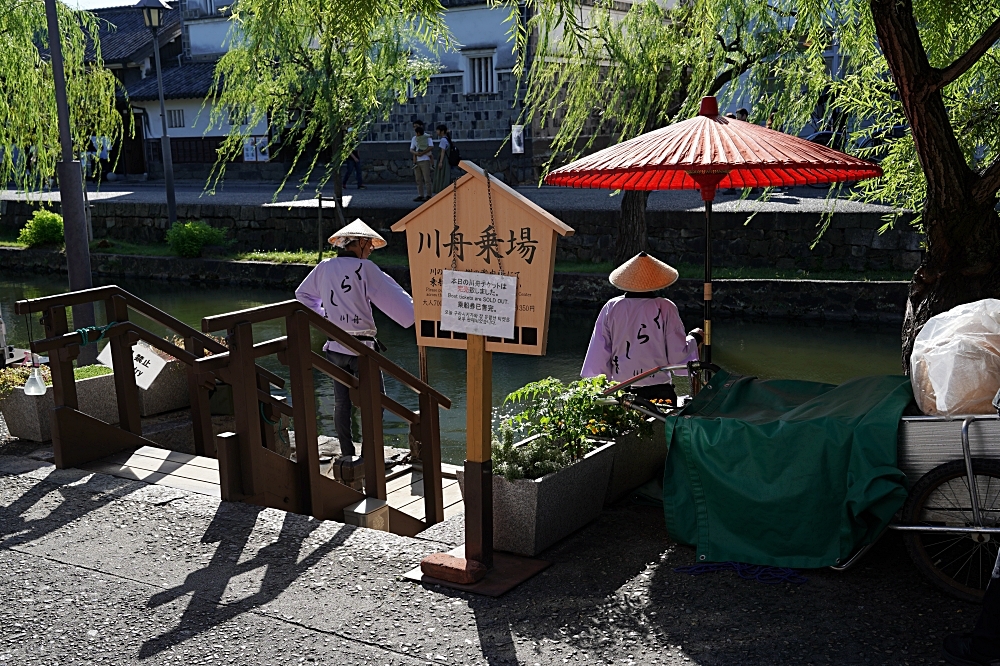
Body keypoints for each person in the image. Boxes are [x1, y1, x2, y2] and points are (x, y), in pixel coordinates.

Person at [294, 219, 415, 461]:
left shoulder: (324, 268)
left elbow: (302, 296)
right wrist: (421, 309)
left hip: (335, 346)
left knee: (342, 403)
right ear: (359, 243)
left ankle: (348, 453)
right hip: (363, 349)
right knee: (375, 402)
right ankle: (370, 455)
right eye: (369, 245)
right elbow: (403, 307)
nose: (370, 250)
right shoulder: (365, 269)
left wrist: (325, 319)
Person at [581, 252, 702, 406]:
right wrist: (694, 338)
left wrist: (598, 388)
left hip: (622, 392)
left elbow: (598, 355)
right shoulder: (665, 307)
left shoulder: (611, 307)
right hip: (658, 391)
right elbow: (677, 355)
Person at [409, 121, 434, 202]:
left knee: (427, 178)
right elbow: (411, 149)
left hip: (425, 159)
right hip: (417, 160)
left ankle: (429, 195)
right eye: (414, 126)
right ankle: (420, 195)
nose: (415, 128)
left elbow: (431, 146)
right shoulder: (414, 138)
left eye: (416, 126)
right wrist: (416, 153)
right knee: (418, 179)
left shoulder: (427, 137)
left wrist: (422, 153)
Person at [432, 124, 452, 194]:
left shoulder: (443, 140)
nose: (437, 132)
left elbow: (442, 151)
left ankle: (441, 188)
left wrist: (440, 161)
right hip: (446, 159)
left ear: (442, 131)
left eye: (438, 130)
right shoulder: (447, 138)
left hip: (443, 159)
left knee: (442, 175)